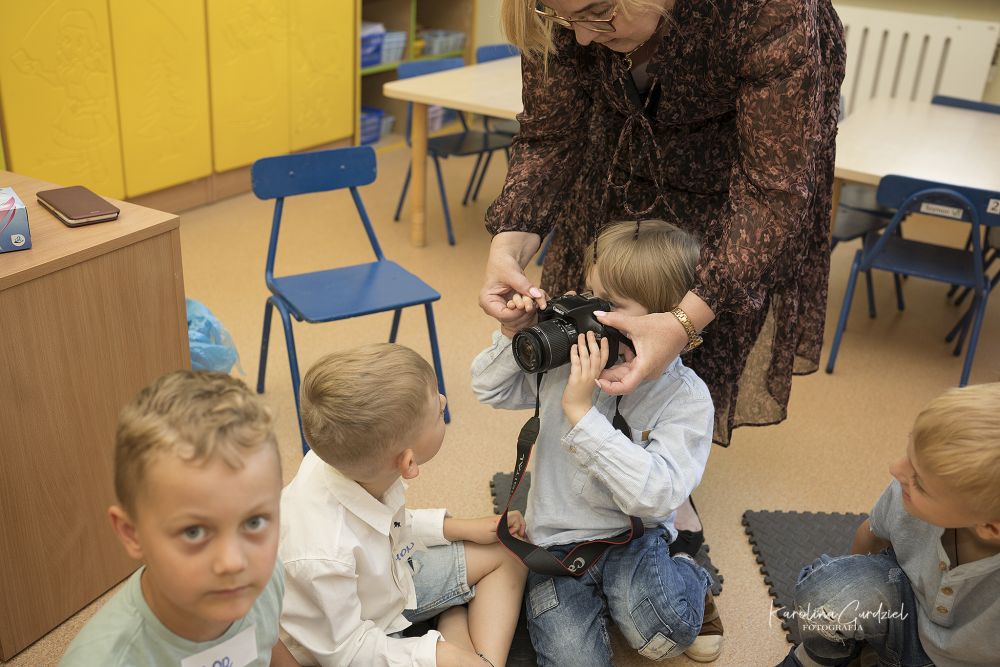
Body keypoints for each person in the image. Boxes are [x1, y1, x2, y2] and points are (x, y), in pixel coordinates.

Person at [480, 0, 846, 548]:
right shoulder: (569, 17)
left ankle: (668, 484)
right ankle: (609, 470)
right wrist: (509, 243)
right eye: (562, 20)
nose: (583, 39)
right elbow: (550, 134)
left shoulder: (769, 12)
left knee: (690, 343)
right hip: (619, 163)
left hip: (733, 188)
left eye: (597, 12)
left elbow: (773, 192)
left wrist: (683, 321)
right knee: (613, 303)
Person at [471, 220, 722, 665]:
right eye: (590, 294)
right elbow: (488, 389)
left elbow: (656, 494)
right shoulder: (571, 359)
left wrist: (582, 415)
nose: (589, 312)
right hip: (556, 545)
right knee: (572, 658)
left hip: (634, 539)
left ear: (662, 322)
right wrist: (515, 335)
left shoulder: (684, 397)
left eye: (609, 306)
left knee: (664, 633)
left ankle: (690, 577)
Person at [278, 344, 528, 667]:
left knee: (512, 551)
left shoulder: (349, 461)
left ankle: (466, 637)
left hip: (396, 578)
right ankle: (458, 628)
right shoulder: (323, 556)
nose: (444, 401)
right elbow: (350, 651)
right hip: (363, 637)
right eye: (438, 412)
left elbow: (389, 524)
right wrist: (437, 655)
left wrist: (462, 527)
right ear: (408, 463)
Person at [60, 371, 298, 666]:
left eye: (254, 523)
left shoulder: (263, 578)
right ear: (132, 534)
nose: (234, 562)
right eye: (194, 532)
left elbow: (265, 639)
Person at [777, 383, 1000, 667]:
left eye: (920, 481)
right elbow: (869, 537)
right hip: (905, 612)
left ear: (990, 528)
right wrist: (851, 604)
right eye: (909, 453)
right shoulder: (905, 495)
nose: (896, 469)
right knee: (827, 593)